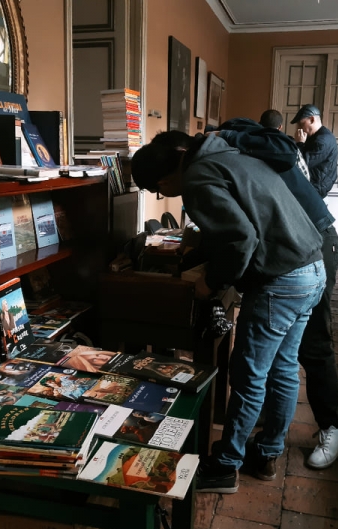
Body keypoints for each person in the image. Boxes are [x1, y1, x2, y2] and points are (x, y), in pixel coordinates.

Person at [131, 130, 326, 493]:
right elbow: (244, 223)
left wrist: (213, 282)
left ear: (164, 180)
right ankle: (267, 452)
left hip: (280, 280)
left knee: (249, 375)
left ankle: (224, 465)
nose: (165, 197)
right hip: (312, 268)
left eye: (159, 192)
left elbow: (241, 239)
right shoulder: (227, 153)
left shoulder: (198, 177)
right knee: (283, 368)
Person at [214, 114, 338, 469]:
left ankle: (332, 424)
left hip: (311, 246)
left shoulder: (255, 152)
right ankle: (270, 432)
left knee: (312, 345)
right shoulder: (271, 147)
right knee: (284, 359)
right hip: (305, 246)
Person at [291, 104, 338, 198]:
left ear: (312, 120)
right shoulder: (315, 136)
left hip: (315, 191)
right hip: (313, 187)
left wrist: (300, 143)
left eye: (301, 124)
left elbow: (302, 164)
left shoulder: (322, 141)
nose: (299, 128)